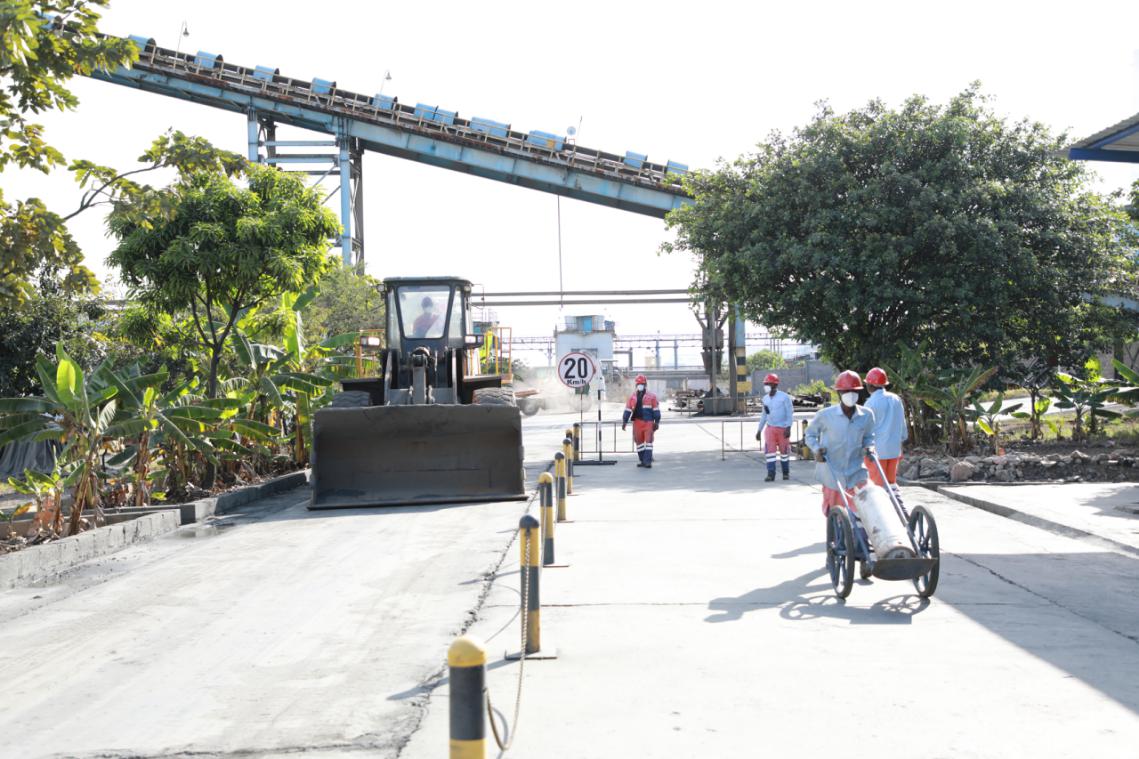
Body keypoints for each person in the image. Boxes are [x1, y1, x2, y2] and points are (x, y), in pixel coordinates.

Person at [804, 371, 876, 516]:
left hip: (856, 471)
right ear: (839, 393)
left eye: (854, 391)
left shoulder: (866, 415)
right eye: (846, 391)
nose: (850, 395)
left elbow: (869, 437)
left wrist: (870, 447)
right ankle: (836, 529)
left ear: (859, 393)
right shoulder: (825, 415)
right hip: (832, 471)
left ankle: (859, 529)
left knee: (863, 510)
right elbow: (810, 435)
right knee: (835, 512)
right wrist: (817, 449)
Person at [863, 367, 908, 508]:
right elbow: (902, 425)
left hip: (876, 453)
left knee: (877, 488)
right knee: (891, 485)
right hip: (894, 451)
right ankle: (900, 509)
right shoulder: (896, 399)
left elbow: (865, 429)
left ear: (870, 385)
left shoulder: (870, 403)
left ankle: (882, 514)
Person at [754, 372, 794, 482]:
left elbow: (789, 413)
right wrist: (759, 430)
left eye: (768, 384)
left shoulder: (784, 397)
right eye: (765, 384)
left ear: (775, 385)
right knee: (770, 453)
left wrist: (788, 427)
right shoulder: (765, 399)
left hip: (783, 429)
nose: (766, 386)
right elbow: (764, 415)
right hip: (770, 429)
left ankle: (785, 473)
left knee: (784, 453)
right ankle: (770, 474)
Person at [622, 374, 661, 468]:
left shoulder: (652, 396)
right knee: (639, 443)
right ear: (636, 385)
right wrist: (624, 421)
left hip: (648, 422)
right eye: (639, 384)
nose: (640, 386)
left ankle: (647, 461)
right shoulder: (632, 397)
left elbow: (656, 410)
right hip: (637, 423)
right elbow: (627, 410)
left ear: (645, 384)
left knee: (648, 442)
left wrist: (657, 422)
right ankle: (643, 460)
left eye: (642, 384)